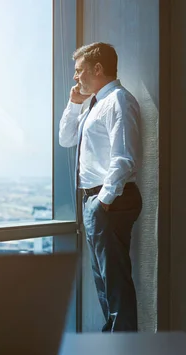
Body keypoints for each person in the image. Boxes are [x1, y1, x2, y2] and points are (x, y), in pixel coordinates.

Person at [59, 42, 142, 332]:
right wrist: (74, 103)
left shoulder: (118, 100)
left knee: (115, 282)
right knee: (105, 282)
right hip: (98, 201)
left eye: (79, 70)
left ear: (98, 68)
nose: (75, 77)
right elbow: (66, 138)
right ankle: (116, 349)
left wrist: (103, 202)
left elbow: (124, 157)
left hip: (110, 200)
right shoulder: (94, 104)